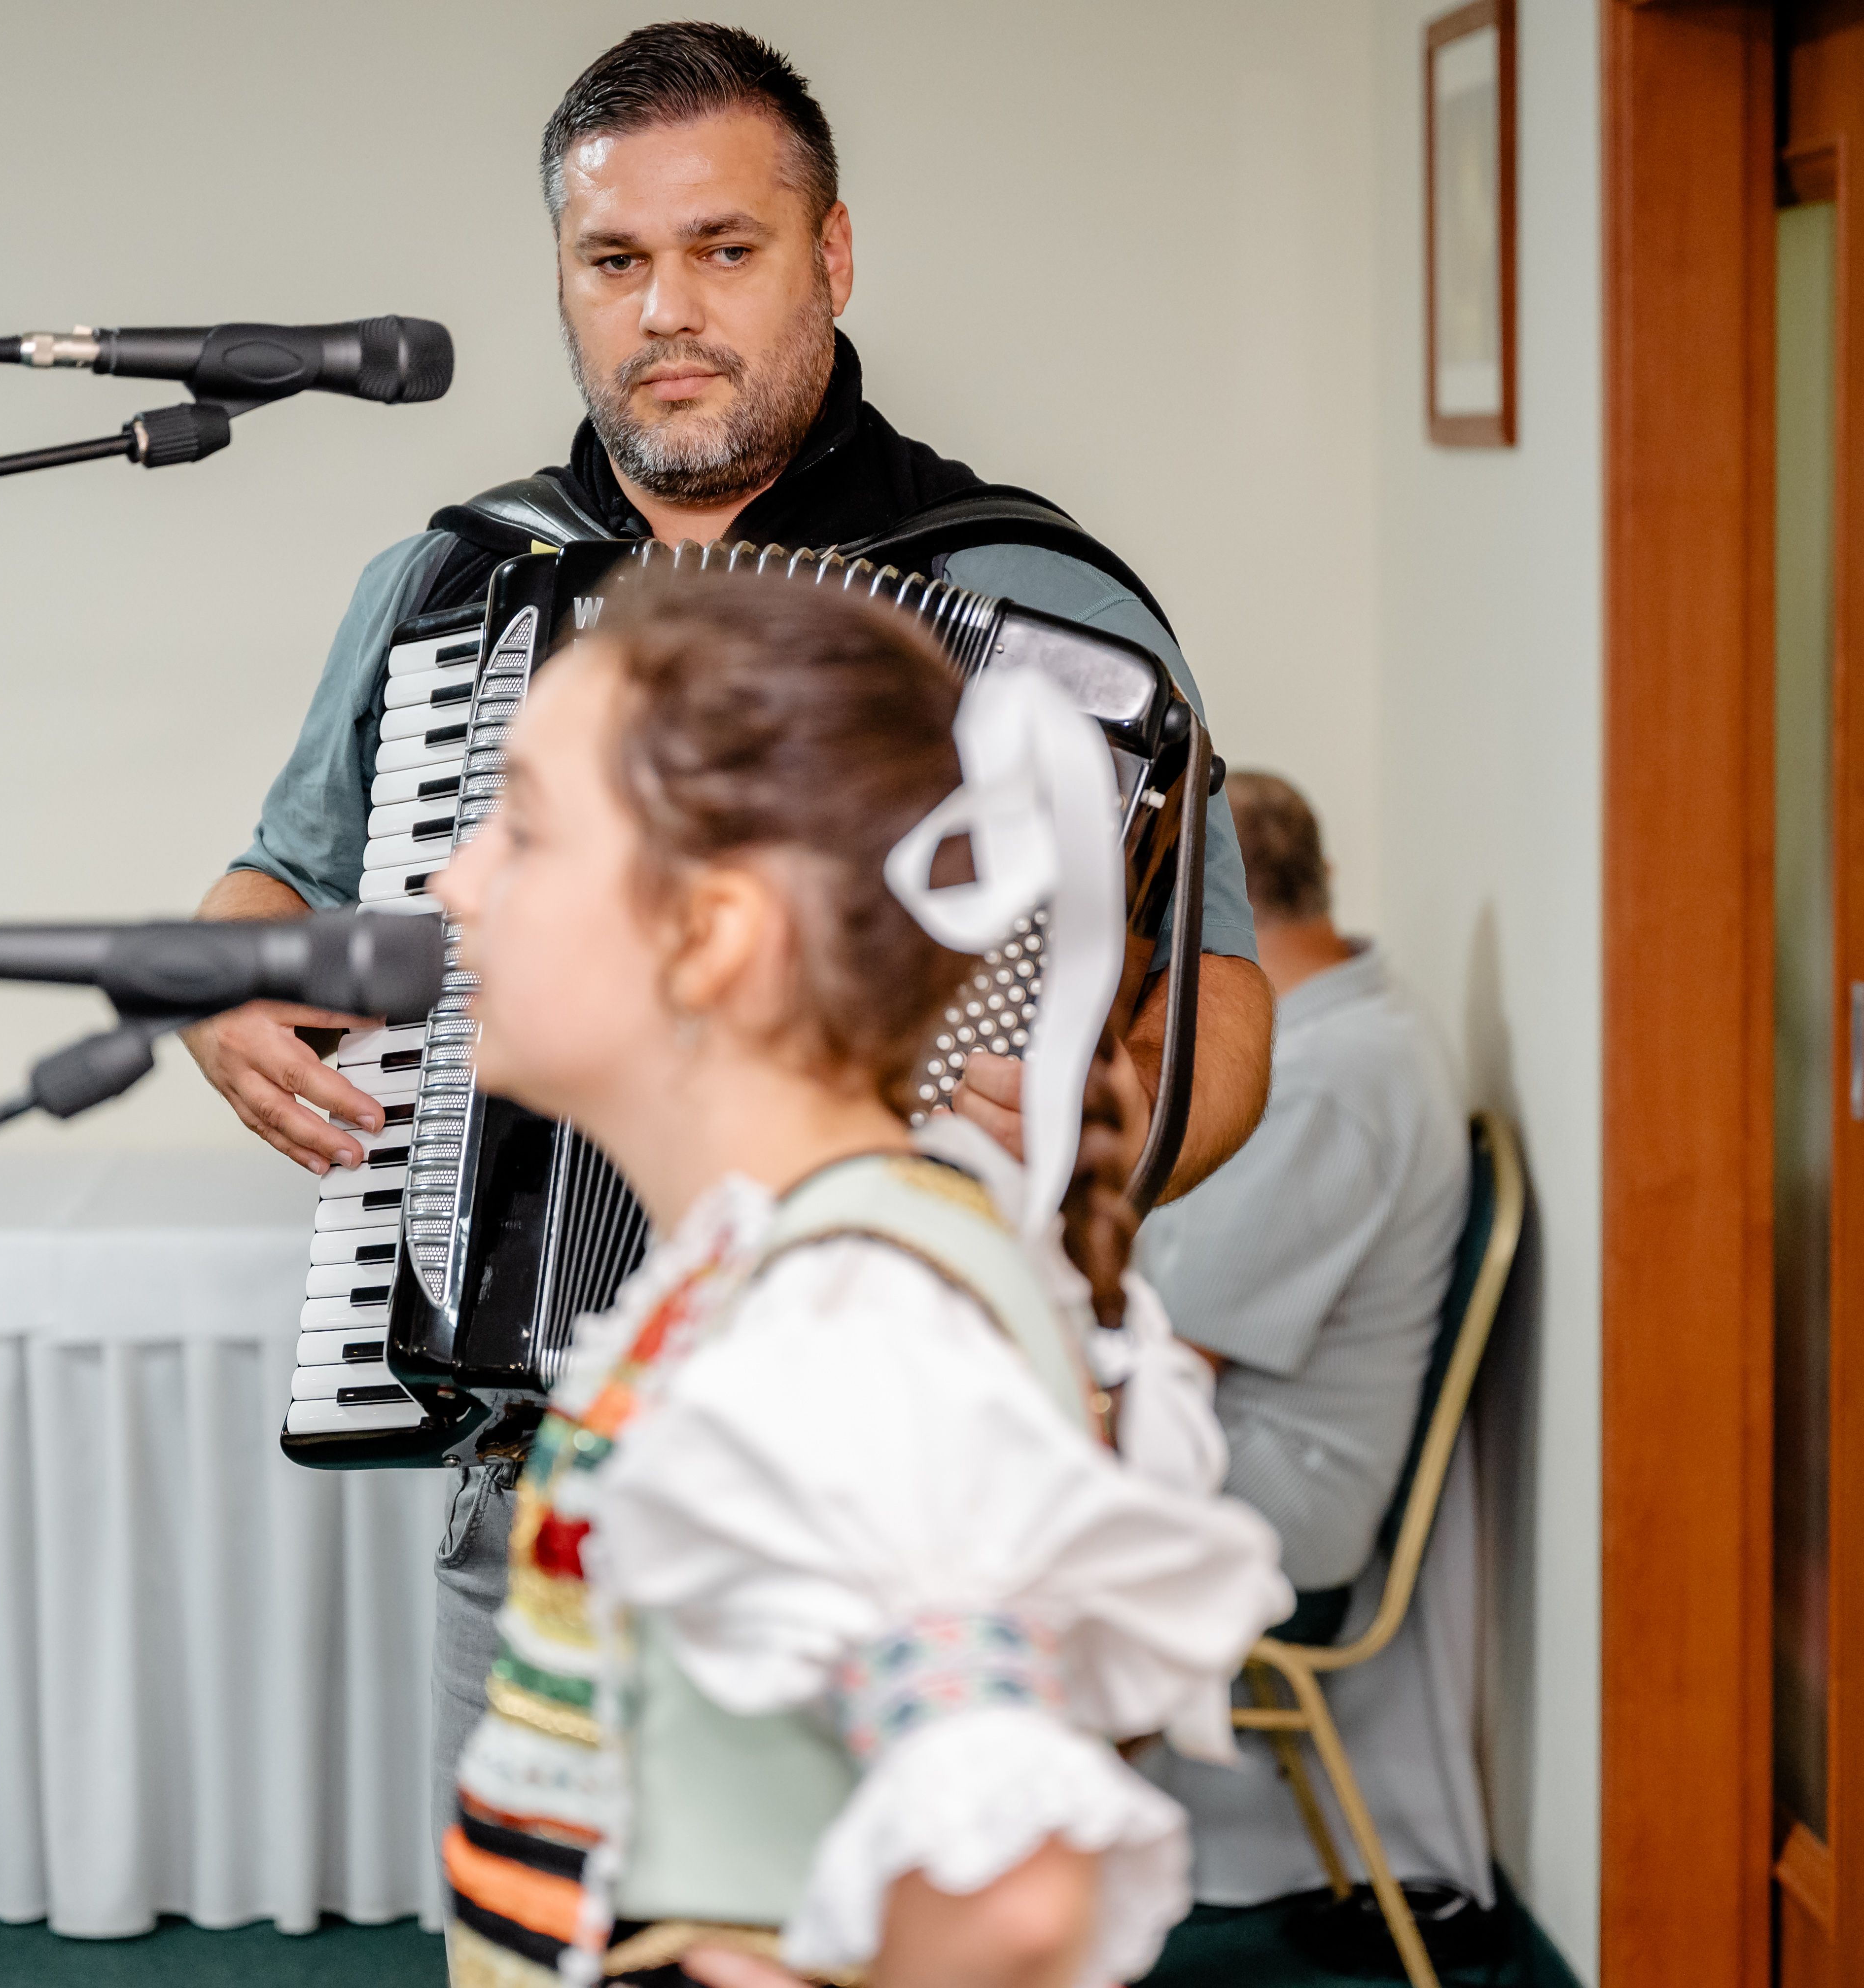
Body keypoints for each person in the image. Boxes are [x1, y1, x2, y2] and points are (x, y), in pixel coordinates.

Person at [178, 21, 1277, 1857]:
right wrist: (231, 989)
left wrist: (1079, 1152)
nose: (665, 309)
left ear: (830, 257)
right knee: (529, 1938)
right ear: (560, 281)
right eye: (613, 260)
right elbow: (278, 879)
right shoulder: (450, 588)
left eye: (724, 249)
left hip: (897, 1477)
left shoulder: (1034, 605)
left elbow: (1217, 1016)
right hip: (538, 1474)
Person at [423, 569, 1287, 1988]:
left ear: (711, 934)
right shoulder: (776, 1274)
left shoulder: (848, 1337)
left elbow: (1012, 1891)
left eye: (522, 828)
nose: (453, 879)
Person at [1130, 774, 1490, 1952]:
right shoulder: (1356, 1024)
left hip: (1283, 1495)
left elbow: (1179, 1347)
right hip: (1261, 1447)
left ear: (1199, 912)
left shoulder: (1331, 1078)